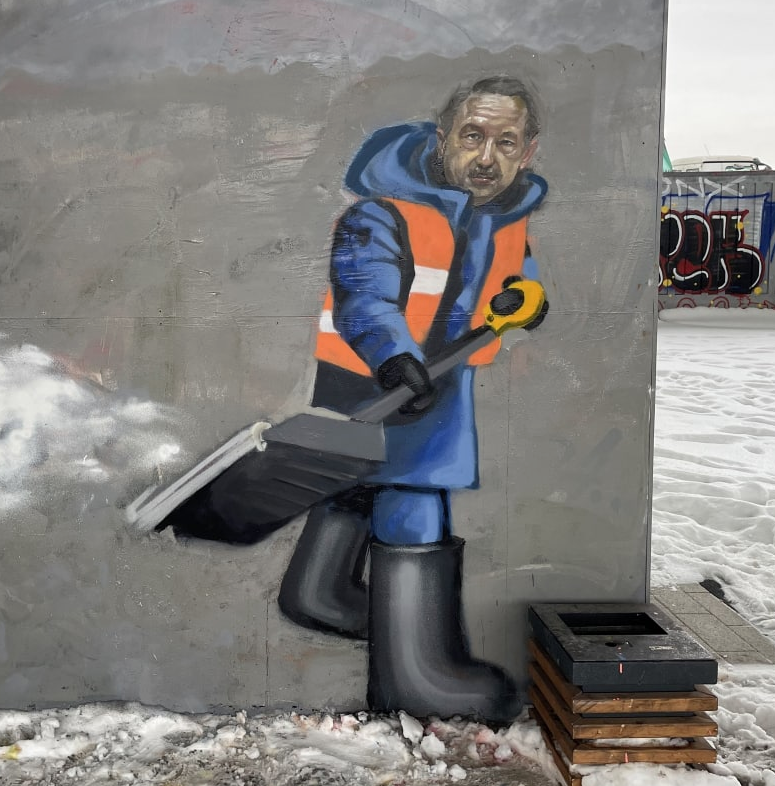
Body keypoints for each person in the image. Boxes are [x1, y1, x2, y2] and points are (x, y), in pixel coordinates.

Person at [277, 76, 548, 724]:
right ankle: (417, 675)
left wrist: (527, 299)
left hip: (442, 386)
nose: (487, 157)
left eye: (506, 143)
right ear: (442, 138)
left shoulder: (504, 218)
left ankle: (322, 592)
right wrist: (394, 355)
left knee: (361, 488)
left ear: (528, 152)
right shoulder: (381, 213)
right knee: (413, 495)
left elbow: (516, 279)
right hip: (378, 378)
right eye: (473, 136)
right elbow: (363, 294)